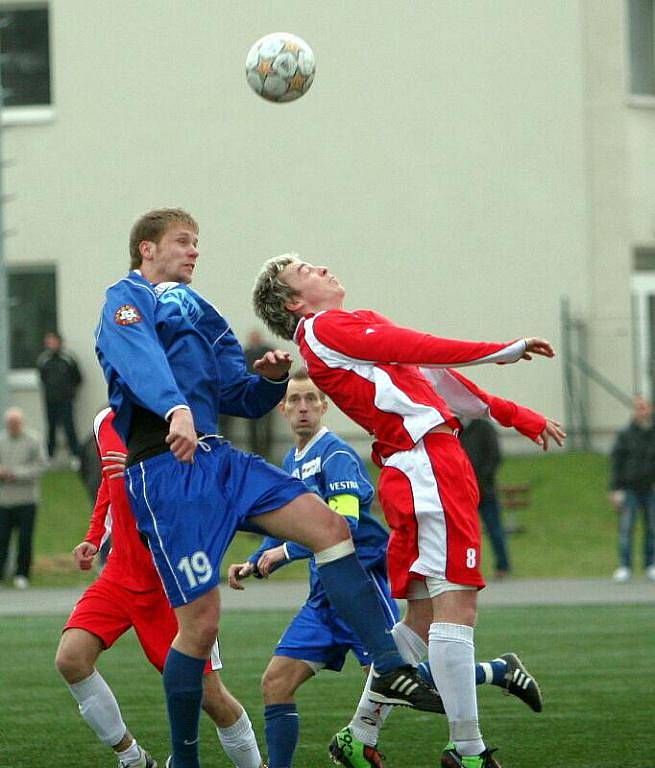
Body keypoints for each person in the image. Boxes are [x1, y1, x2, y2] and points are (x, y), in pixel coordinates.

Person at [94, 209, 441, 768]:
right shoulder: (126, 296)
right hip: (164, 466)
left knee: (329, 527)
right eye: (183, 241)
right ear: (146, 250)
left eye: (197, 243)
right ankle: (185, 760)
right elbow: (139, 360)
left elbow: (236, 391)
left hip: (218, 457)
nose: (194, 251)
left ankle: (392, 665)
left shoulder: (202, 310)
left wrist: (269, 378)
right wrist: (174, 406)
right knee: (200, 626)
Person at [252, 255, 566, 768]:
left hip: (419, 466)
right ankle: (468, 751)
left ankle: (359, 734)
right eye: (305, 269)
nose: (322, 267)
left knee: (420, 619)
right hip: (427, 466)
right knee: (456, 607)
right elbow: (415, 347)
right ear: (294, 301)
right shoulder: (326, 327)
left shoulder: (346, 327)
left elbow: (433, 378)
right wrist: (499, 350)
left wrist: (516, 414)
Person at [229, 371, 543, 768]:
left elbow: (345, 523)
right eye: (295, 400)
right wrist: (258, 557)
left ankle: (494, 675)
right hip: (322, 598)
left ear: (325, 405)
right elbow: (289, 520)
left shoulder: (336, 455)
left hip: (358, 585)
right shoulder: (292, 460)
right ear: (283, 408)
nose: (303, 407)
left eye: (311, 399)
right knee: (276, 682)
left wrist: (287, 552)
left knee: (399, 679)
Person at [54, 407, 266, 768]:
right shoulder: (103, 421)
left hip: (172, 582)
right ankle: (133, 758)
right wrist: (94, 537)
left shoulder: (182, 420)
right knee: (71, 659)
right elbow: (110, 482)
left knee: (210, 696)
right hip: (120, 573)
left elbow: (206, 489)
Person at [608, 394, 655, 583]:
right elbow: (616, 462)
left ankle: (650, 564)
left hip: (651, 488)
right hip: (629, 488)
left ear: (649, 409)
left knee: (652, 528)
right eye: (637, 407)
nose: (640, 411)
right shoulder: (625, 434)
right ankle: (624, 566)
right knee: (626, 528)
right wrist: (614, 489)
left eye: (643, 407)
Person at [0, 407, 47, 588]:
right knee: (2, 538)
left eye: (15, 423)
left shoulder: (33, 440)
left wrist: (17, 474)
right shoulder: (1, 440)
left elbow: (41, 465)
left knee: (25, 538)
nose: (13, 426)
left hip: (27, 500)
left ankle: (22, 573)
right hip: (4, 500)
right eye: (9, 423)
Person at [459, 419, 511, 579]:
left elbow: (494, 456)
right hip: (463, 492)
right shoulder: (456, 430)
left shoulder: (484, 428)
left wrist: (481, 478)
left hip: (485, 490)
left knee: (494, 529)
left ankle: (503, 565)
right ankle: (468, 566)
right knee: (466, 534)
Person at [36, 330, 83, 464]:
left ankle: (75, 455)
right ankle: (50, 456)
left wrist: (69, 392)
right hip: (50, 401)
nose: (50, 344)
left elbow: (78, 378)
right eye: (48, 341)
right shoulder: (44, 360)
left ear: (59, 342)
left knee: (69, 427)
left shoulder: (68, 359)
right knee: (51, 427)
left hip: (66, 400)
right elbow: (42, 378)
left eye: (53, 341)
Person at [244, 330, 275, 459]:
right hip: (251, 395)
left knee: (267, 425)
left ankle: (266, 451)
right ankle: (255, 451)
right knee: (252, 425)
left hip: (267, 393)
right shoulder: (246, 354)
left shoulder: (268, 352)